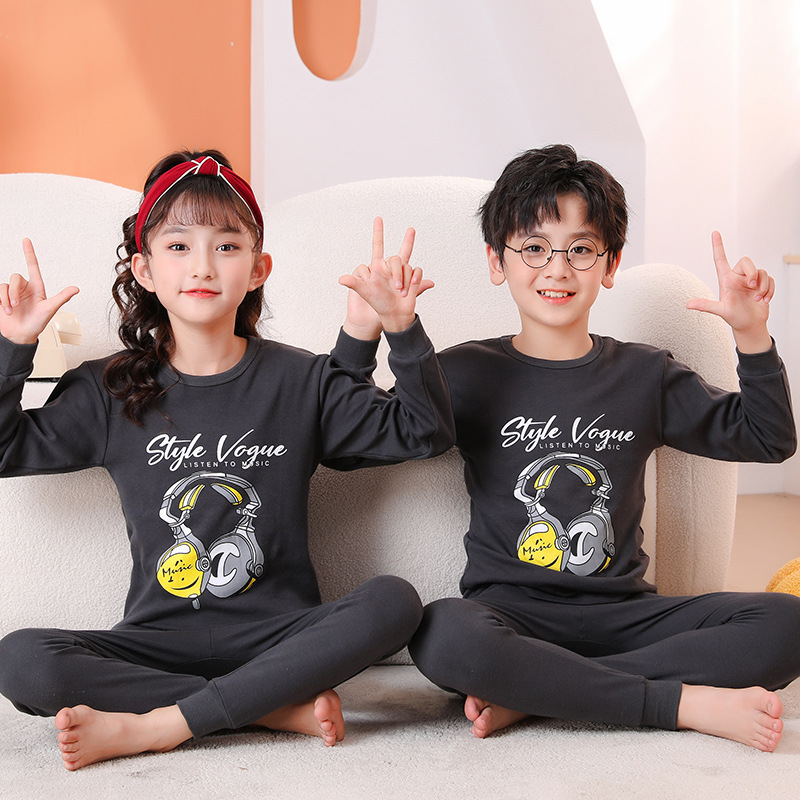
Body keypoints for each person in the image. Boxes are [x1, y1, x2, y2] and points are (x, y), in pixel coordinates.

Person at [0, 150, 454, 770]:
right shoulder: (110, 389)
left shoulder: (303, 380)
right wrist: (13, 346)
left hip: (282, 640)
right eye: (179, 246)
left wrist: (400, 325)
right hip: (157, 641)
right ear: (144, 269)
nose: (203, 266)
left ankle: (165, 723)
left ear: (258, 268)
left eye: (227, 246)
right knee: (20, 659)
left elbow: (424, 433)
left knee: (394, 602)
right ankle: (268, 709)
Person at [343, 145, 800, 752]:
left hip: (627, 618)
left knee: (788, 622)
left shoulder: (645, 375)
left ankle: (538, 692)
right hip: (510, 621)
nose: (556, 269)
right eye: (534, 248)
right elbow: (352, 442)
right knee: (442, 633)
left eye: (580, 249)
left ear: (609, 264)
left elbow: (769, 438)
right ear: (497, 260)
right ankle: (677, 702)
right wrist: (390, 331)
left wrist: (751, 334)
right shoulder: (465, 372)